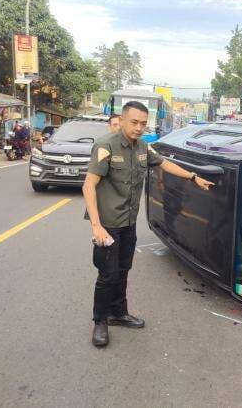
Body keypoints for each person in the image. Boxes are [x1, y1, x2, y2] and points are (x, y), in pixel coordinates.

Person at [83, 101, 215, 347]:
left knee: (123, 270)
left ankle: (118, 313)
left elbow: (164, 164)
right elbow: (89, 185)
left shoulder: (143, 148)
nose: (139, 127)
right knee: (107, 274)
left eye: (143, 123)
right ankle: (100, 321)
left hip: (128, 222)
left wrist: (194, 177)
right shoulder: (105, 146)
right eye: (134, 122)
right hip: (108, 223)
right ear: (122, 120)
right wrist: (96, 226)